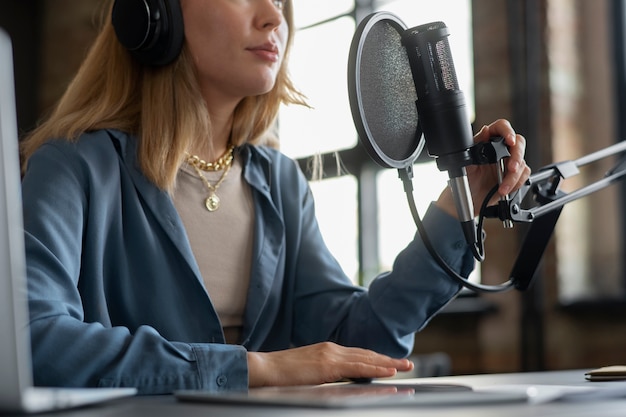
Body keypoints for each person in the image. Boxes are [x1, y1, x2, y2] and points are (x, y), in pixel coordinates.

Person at [20, 0, 530, 395]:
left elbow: (359, 343)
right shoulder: (71, 167)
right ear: (154, 15)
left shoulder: (280, 183)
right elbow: (32, 341)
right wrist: (254, 367)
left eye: (280, 1)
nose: (273, 18)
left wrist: (455, 206)